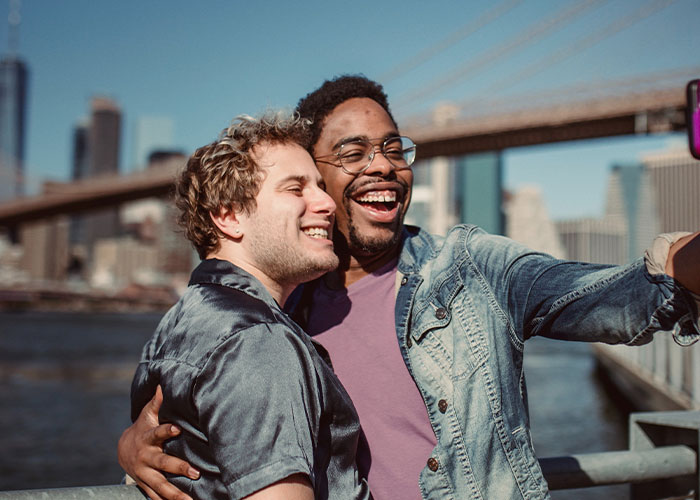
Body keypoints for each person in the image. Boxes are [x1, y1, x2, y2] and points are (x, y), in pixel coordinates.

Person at [119, 76, 700, 500]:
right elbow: (188, 416)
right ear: (315, 179)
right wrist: (132, 448)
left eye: (394, 149)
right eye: (353, 152)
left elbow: (612, 296)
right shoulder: (269, 306)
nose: (384, 166)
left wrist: (680, 262)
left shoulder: (472, 268)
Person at [127, 112, 371, 500]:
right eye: (296, 189)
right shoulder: (257, 341)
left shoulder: (179, 322)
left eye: (321, 187)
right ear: (228, 216)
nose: (327, 203)